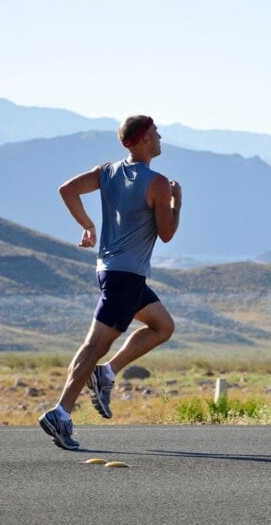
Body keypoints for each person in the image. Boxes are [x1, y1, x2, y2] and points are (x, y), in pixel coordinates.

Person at [39, 114, 181, 450]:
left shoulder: (107, 171)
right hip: (126, 277)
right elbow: (167, 233)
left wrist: (88, 225)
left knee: (163, 326)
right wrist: (177, 201)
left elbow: (67, 190)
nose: (160, 138)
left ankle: (107, 373)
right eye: (157, 133)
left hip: (111, 271)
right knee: (94, 345)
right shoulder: (158, 183)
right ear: (145, 138)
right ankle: (60, 412)